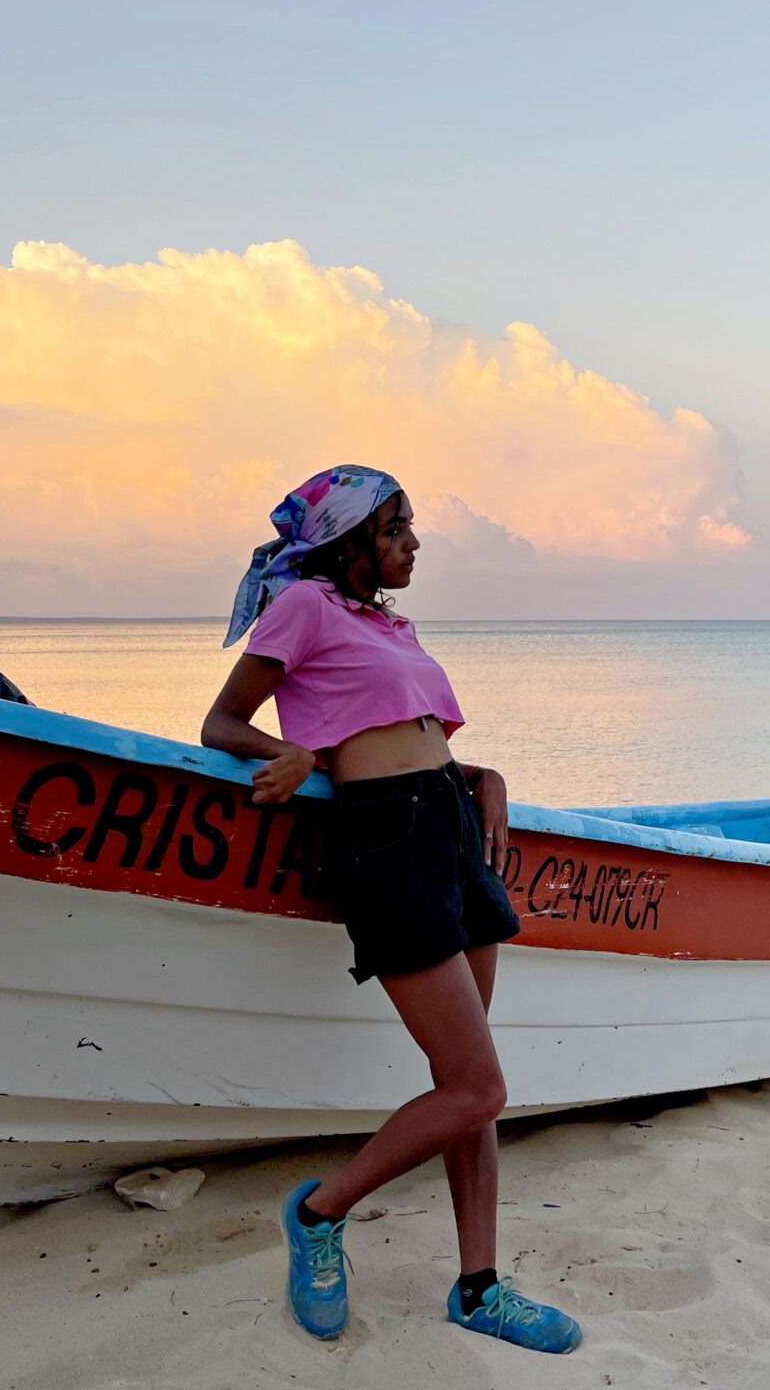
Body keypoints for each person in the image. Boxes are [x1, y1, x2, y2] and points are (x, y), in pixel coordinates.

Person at [202, 465, 581, 1354]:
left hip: (451, 829)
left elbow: (415, 742)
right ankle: (321, 1212)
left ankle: (480, 1287)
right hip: (386, 844)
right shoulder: (301, 607)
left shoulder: (393, 626)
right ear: (351, 540)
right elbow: (222, 724)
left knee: (471, 1092)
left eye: (410, 527)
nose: (414, 543)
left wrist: (485, 778)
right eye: (398, 528)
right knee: (479, 1087)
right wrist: (294, 754)